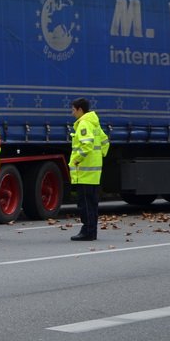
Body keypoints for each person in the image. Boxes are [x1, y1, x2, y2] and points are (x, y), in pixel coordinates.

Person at [69, 97, 109, 241]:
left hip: (85, 172)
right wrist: (99, 157)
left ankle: (87, 232)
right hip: (94, 171)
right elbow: (105, 142)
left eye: (73, 110)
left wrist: (75, 160)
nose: (72, 113)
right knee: (92, 204)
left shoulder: (84, 123)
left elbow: (87, 145)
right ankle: (92, 232)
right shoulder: (94, 123)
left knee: (85, 204)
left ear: (80, 110)